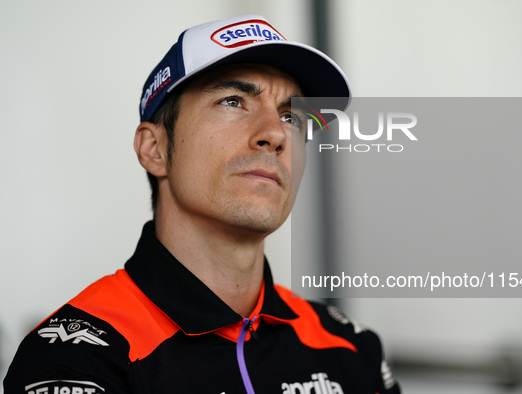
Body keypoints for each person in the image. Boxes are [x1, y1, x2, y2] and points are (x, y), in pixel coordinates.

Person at [4, 15, 400, 393]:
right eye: (233, 101)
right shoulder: (76, 359)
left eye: (292, 118)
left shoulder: (349, 347)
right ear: (154, 149)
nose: (274, 134)